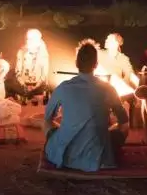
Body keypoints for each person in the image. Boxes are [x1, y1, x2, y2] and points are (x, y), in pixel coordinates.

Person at [44, 41, 129, 172]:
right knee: (124, 126)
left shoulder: (63, 87)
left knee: (46, 124)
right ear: (96, 64)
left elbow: (48, 118)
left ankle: (57, 149)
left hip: (66, 156)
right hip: (99, 157)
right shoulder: (108, 88)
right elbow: (123, 120)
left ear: (76, 63)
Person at [11, 28, 50, 102]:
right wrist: (23, 85)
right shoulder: (21, 52)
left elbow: (44, 74)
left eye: (31, 39)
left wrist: (36, 86)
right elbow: (18, 71)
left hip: (38, 88)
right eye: (27, 38)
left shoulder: (43, 54)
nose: (28, 41)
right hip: (23, 88)